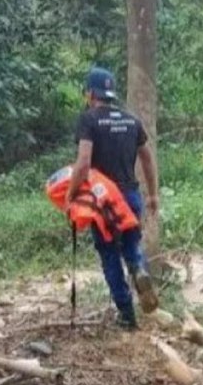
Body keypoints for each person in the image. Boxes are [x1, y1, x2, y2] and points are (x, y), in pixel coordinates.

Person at [65, 67, 159, 330]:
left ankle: (127, 316)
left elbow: (83, 163)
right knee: (131, 247)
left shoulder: (89, 120)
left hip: (104, 200)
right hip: (130, 195)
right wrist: (152, 194)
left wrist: (70, 195)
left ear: (90, 94)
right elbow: (147, 157)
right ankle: (139, 270)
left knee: (109, 255)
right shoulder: (131, 120)